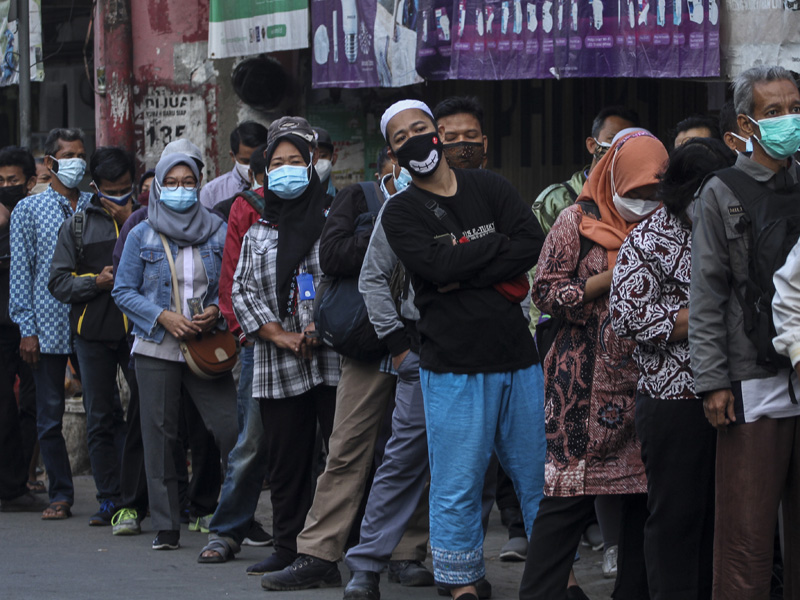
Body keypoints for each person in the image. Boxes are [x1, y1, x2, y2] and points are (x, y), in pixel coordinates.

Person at [379, 100, 546, 600]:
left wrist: (460, 263)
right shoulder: (401, 210)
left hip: (518, 358)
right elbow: (435, 268)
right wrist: (490, 252)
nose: (416, 140)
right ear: (393, 151)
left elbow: (530, 242)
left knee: (538, 476)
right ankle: (461, 582)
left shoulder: (490, 187)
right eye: (402, 136)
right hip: (452, 365)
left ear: (439, 134)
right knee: (458, 482)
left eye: (422, 129)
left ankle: (558, 573)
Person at [260, 136, 434, 591]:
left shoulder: (442, 199)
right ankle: (319, 552)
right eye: (401, 157)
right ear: (387, 164)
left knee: (417, 451)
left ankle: (407, 551)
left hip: (426, 342)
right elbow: (331, 254)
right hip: (368, 343)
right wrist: (390, 231)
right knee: (346, 447)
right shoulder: (362, 196)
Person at [522, 129, 667, 600]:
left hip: (645, 385)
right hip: (579, 390)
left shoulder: (668, 224)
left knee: (642, 505)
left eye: (654, 192)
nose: (645, 203)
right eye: (635, 192)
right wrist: (610, 277)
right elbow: (543, 291)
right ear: (613, 178)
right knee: (567, 498)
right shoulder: (575, 221)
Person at [690, 65, 800, 598]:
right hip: (751, 379)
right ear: (746, 123)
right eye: (773, 112)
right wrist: (712, 382)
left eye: (795, 109)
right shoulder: (721, 190)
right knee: (746, 533)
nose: (788, 120)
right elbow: (707, 293)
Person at [610, 138, 734, 600]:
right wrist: (707, 314)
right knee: (677, 519)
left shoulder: (730, 228)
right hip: (673, 398)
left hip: (733, 391)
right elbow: (629, 316)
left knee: (719, 520)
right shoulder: (647, 239)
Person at [231, 116, 340, 575]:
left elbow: (349, 277)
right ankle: (288, 546)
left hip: (334, 357)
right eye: (279, 162)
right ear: (266, 172)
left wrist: (322, 328)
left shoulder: (337, 219)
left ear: (314, 163)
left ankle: (346, 545)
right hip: (278, 361)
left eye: (297, 160)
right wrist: (281, 334)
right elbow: (241, 292)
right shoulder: (259, 232)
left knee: (345, 455)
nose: (289, 169)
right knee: (286, 458)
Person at [112, 151, 237, 550]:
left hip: (205, 344)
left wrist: (216, 310)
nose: (181, 190)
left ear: (199, 186)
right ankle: (167, 524)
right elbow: (122, 291)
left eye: (188, 183)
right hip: (156, 345)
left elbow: (230, 284)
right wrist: (163, 317)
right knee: (160, 436)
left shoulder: (217, 229)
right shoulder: (141, 233)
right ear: (159, 186)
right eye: (173, 182)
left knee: (231, 430)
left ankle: (235, 515)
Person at [48, 147, 137, 526]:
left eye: (126, 188)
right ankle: (109, 498)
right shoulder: (78, 225)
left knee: (148, 414)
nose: (119, 196)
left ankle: (143, 495)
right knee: (101, 415)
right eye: (111, 189)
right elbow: (58, 282)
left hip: (139, 331)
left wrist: (134, 220)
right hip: (92, 334)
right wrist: (95, 282)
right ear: (96, 188)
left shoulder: (147, 220)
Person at [197, 142, 274, 563]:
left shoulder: (324, 207)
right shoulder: (247, 207)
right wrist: (245, 331)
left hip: (311, 341)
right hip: (258, 342)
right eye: (280, 163)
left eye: (300, 162)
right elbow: (230, 279)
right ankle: (226, 530)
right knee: (250, 441)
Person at [10, 128, 92, 520]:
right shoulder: (28, 210)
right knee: (49, 415)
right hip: (47, 325)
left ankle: (117, 492)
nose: (76, 160)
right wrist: (26, 328)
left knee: (103, 409)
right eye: (68, 154)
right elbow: (21, 275)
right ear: (50, 162)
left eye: (80, 153)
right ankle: (61, 493)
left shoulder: (96, 206)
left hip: (94, 324)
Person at [0, 146, 48, 514]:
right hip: (2, 331)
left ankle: (22, 477)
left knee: (36, 403)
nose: (5, 186)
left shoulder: (40, 216)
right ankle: (11, 485)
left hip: (35, 324)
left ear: (29, 182)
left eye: (12, 181)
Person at [532, 106, 639, 236]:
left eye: (626, 141)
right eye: (612, 139)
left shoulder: (638, 201)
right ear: (592, 145)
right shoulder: (556, 200)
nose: (619, 147)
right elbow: (534, 250)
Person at [200, 121, 268, 209]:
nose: (252, 167)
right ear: (233, 156)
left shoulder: (280, 186)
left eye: (258, 160)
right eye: (246, 161)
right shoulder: (211, 192)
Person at [313, 127, 338, 197]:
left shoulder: (341, 202)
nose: (315, 162)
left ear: (333, 159)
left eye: (322, 156)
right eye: (310, 157)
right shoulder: (290, 203)